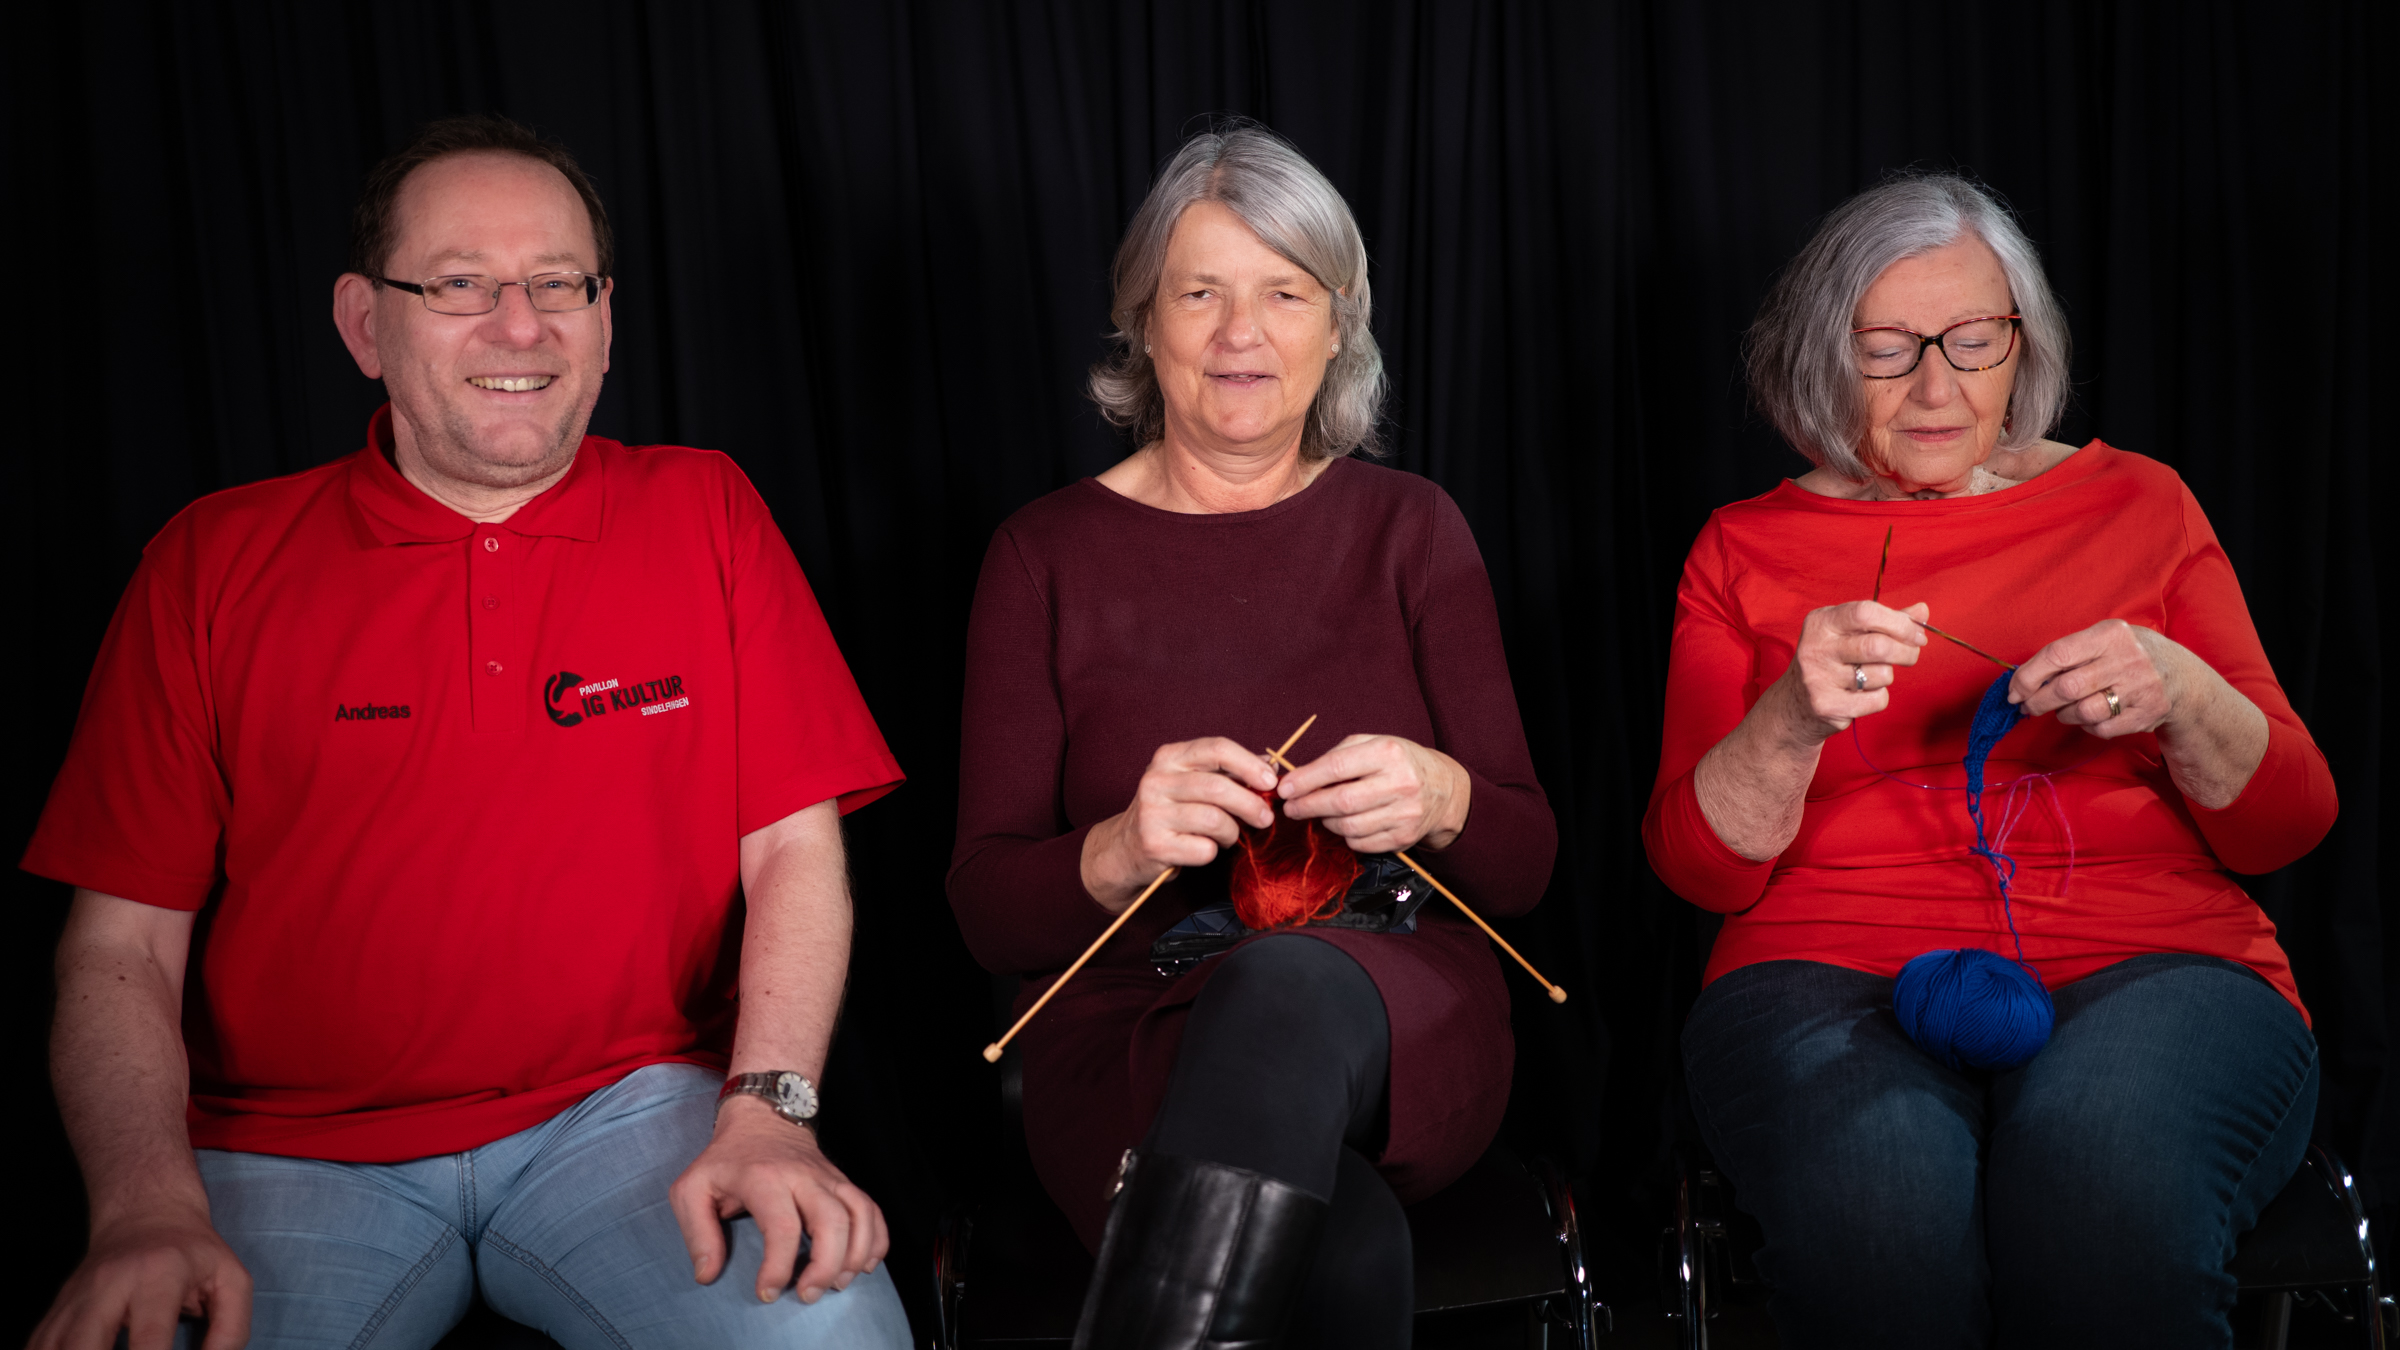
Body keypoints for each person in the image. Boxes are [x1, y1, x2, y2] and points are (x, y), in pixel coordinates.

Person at [23, 114, 913, 1350]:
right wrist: (142, 1208)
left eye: (557, 283)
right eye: (458, 285)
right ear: (363, 324)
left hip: (634, 1117)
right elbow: (120, 947)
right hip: (288, 1150)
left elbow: (794, 852)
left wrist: (769, 1113)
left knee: (829, 1334)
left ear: (605, 319)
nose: (520, 325)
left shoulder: (706, 509)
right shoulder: (210, 563)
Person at [1643, 172, 2336, 1348]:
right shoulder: (1744, 548)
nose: (1937, 387)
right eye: (1887, 350)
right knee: (1881, 1232)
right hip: (1826, 968)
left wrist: (2182, 692)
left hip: (2157, 964)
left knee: (2102, 1208)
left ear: (2023, 344)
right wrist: (1789, 719)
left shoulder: (2142, 505)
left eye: (1973, 341)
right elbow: (1701, 871)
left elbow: (2287, 825)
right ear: (1821, 355)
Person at [948, 123, 1555, 1349]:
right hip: (1126, 1032)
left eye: (1285, 293)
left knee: (1279, 988)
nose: (1241, 333)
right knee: (1341, 1253)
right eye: (1200, 293)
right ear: (1144, 323)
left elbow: (1527, 870)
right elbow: (986, 918)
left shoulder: (1413, 530)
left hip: (1397, 1002)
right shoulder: (1040, 556)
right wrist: (1120, 846)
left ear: (1338, 327)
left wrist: (1442, 797)